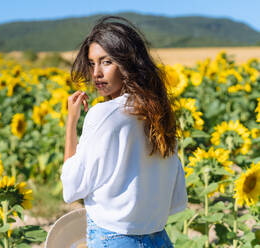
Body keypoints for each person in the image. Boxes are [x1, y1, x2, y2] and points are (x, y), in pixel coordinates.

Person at [60, 16, 188, 247]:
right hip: (158, 238)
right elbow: (175, 196)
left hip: (113, 237)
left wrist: (71, 122)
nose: (96, 73)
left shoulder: (104, 114)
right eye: (91, 63)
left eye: (106, 62)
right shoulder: (160, 113)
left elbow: (71, 188)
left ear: (128, 63)